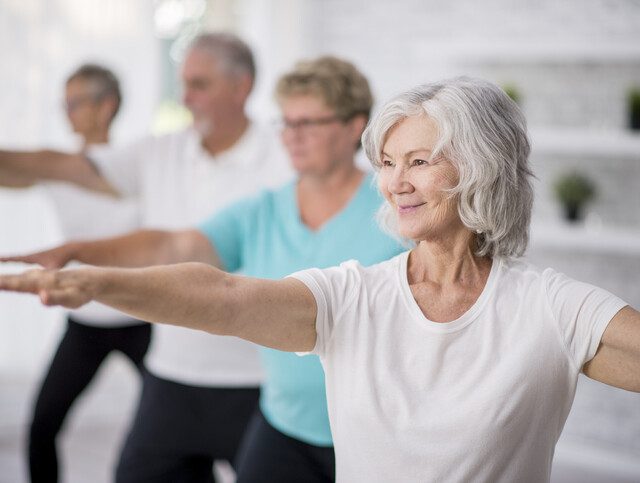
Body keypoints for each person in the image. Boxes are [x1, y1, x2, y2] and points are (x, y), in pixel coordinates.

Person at [2, 76, 638, 483]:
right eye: (388, 163)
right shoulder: (352, 295)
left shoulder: (550, 307)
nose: (395, 182)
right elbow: (223, 296)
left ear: (483, 169)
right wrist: (97, 280)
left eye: (419, 161)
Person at [2, 56, 405, 482]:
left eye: (308, 123)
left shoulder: (395, 209)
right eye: (286, 123)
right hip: (285, 426)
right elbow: (176, 244)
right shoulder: (263, 209)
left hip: (373, 431)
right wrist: (78, 252)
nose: (292, 137)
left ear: (353, 127)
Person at [1, 33, 291, 482]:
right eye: (183, 83)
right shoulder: (161, 151)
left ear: (242, 87)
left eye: (199, 84)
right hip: (171, 376)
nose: (186, 97)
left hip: (256, 381)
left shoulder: (286, 155)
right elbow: (62, 166)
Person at [0, 63, 149, 483]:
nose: (67, 112)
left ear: (107, 106)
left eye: (76, 102)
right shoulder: (56, 168)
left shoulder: (136, 163)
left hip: (142, 317)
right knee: (42, 425)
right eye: (64, 103)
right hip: (85, 318)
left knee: (175, 426)